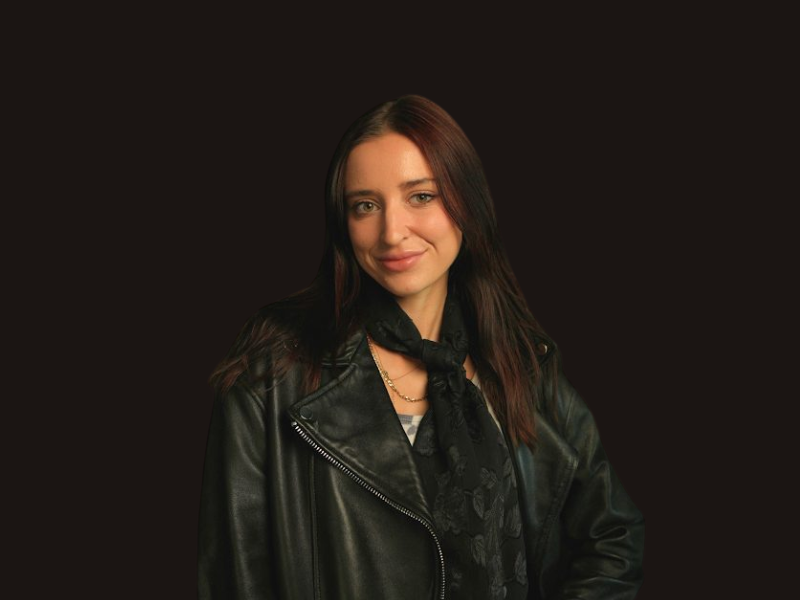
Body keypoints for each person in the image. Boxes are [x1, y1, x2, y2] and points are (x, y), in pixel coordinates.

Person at [198, 95, 644, 600]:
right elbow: (233, 577)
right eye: (365, 205)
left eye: (421, 196)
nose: (391, 232)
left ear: (466, 203)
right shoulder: (277, 369)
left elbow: (612, 536)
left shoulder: (520, 363)